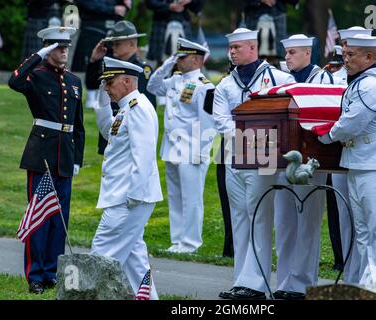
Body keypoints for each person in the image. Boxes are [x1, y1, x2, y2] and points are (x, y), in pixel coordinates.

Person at [318, 34, 376, 289]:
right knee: (364, 233)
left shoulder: (372, 85)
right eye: (344, 54)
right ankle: (365, 289)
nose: (345, 60)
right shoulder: (361, 81)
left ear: (369, 56)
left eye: (351, 55)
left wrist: (325, 136)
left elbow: (351, 123)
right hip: (361, 161)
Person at [213, 28, 295, 300]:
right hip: (234, 158)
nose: (232, 52)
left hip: (264, 159)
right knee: (239, 219)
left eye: (237, 47)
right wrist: (246, 137)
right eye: (230, 48)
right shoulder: (225, 83)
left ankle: (256, 283)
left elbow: (287, 114)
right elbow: (220, 121)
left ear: (252, 48)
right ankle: (241, 280)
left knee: (259, 217)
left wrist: (257, 140)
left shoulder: (278, 78)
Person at [8, 26, 85, 294]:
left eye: (66, 47)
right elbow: (14, 81)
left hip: (65, 155)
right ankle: (36, 275)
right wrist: (37, 56)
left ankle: (52, 271)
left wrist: (78, 159)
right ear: (48, 49)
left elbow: (79, 125)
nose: (64, 51)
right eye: (58, 47)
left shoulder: (75, 81)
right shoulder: (36, 77)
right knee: (39, 217)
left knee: (59, 218)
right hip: (41, 155)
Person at [90, 57, 163, 297]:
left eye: (109, 82)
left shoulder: (138, 108)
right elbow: (108, 131)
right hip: (126, 196)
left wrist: (133, 196)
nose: (107, 87)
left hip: (128, 198)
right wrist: (102, 98)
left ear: (127, 81)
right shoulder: (126, 107)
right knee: (135, 261)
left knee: (101, 255)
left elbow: (143, 156)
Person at [273, 34, 334, 300]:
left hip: (312, 161)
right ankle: (284, 280)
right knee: (284, 223)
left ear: (308, 54)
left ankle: (302, 284)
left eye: (293, 53)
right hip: (283, 158)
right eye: (286, 53)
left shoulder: (323, 79)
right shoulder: (280, 79)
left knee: (307, 222)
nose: (287, 58)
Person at [147, 38, 215, 254]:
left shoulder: (205, 86)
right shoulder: (174, 81)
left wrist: (201, 152)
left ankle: (191, 242)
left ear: (196, 59)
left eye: (182, 57)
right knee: (176, 197)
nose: (179, 60)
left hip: (191, 150)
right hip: (172, 148)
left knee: (192, 199)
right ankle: (177, 240)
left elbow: (208, 123)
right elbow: (152, 86)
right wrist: (167, 65)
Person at [85, 20, 156, 155]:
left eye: (118, 43)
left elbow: (148, 105)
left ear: (131, 43)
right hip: (111, 124)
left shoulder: (141, 69)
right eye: (113, 43)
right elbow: (91, 85)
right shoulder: (111, 66)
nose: (113, 47)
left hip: (131, 127)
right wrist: (94, 61)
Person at [72, 0, 129, 72]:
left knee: (112, 69)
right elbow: (88, 4)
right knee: (89, 67)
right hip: (92, 29)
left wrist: (125, 3)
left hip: (113, 30)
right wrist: (112, 9)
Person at [145, 0, 205, 66]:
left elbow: (199, 5)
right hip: (161, 20)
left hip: (183, 19)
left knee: (185, 58)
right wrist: (168, 6)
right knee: (161, 60)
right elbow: (150, 2)